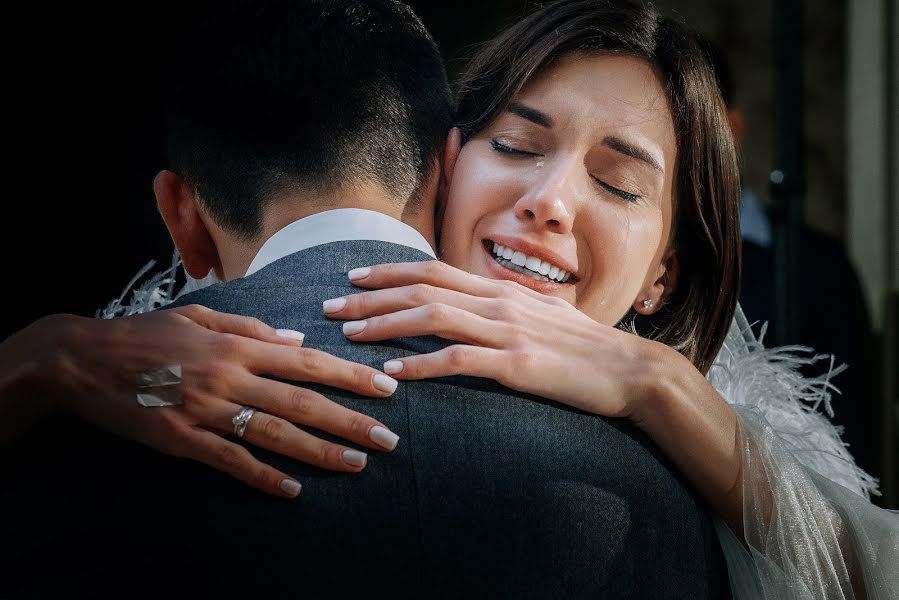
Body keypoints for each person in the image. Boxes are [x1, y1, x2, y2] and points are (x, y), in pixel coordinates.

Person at [2, 0, 896, 598]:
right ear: (439, 169)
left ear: (665, 272)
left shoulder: (704, 448)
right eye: (514, 145)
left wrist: (653, 382)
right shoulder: (127, 369)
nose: (548, 199)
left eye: (618, 185)